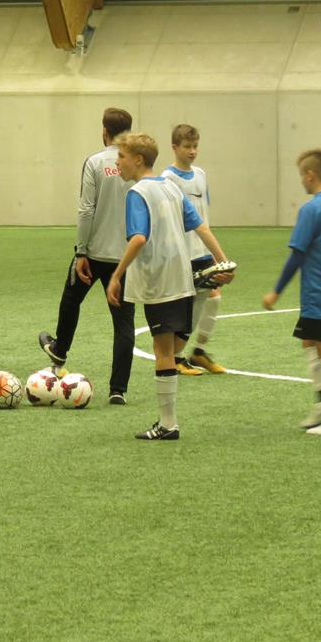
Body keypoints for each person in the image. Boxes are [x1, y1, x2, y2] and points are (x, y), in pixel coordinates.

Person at [106, 133, 231, 440]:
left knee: (163, 350)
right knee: (169, 348)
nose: (117, 162)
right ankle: (167, 421)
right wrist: (224, 261)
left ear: (137, 159)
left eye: (121, 156)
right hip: (182, 276)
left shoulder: (138, 193)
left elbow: (139, 238)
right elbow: (200, 226)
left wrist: (117, 275)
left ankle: (168, 424)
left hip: (159, 280)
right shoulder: (172, 187)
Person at [38, 108, 135, 405]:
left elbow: (86, 209)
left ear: (104, 130)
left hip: (92, 253)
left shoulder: (95, 162)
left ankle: (60, 350)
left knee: (71, 299)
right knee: (123, 322)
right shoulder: (137, 164)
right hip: (124, 256)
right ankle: (118, 389)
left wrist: (81, 250)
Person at [262, 148, 321, 436]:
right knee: (310, 342)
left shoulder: (312, 209)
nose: (301, 181)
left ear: (311, 174)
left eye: (302, 175)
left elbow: (297, 255)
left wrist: (276, 292)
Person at [162, 123, 225, 375]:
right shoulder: (168, 178)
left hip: (203, 251)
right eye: (187, 146)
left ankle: (198, 352)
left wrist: (213, 251)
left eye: (195, 146)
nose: (192, 151)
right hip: (184, 253)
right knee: (188, 304)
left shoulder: (200, 174)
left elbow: (203, 215)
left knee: (213, 297)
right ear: (174, 147)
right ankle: (177, 357)